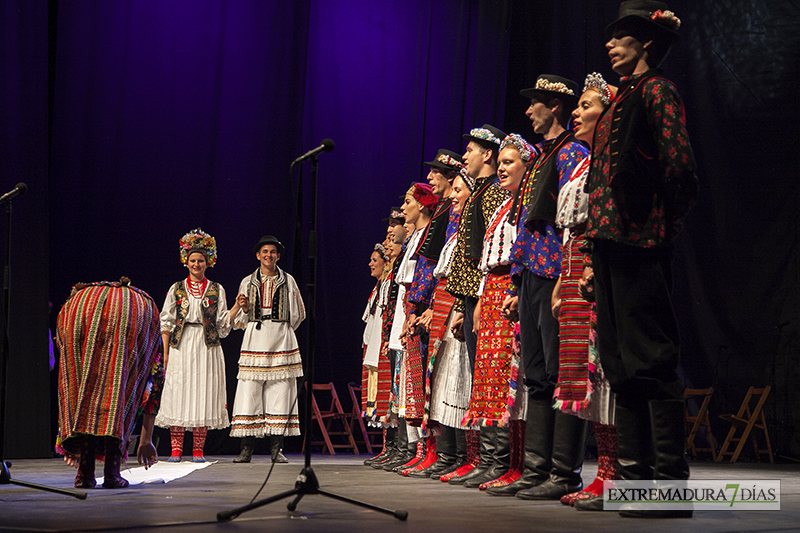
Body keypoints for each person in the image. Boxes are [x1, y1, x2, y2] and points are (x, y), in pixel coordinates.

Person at [581, 0, 697, 518]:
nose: (610, 45)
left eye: (620, 37)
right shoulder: (620, 100)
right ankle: (634, 482)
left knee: (650, 357)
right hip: (609, 245)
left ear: (646, 42)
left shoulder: (658, 91)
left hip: (641, 242)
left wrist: (658, 227)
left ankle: (669, 487)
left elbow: (680, 167)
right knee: (620, 362)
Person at [492, 75, 590, 500]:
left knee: (556, 370)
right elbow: (521, 228)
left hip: (555, 274)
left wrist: (565, 277)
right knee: (534, 374)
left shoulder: (572, 153)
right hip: (532, 273)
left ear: (555, 105)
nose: (529, 110)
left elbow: (573, 219)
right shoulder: (539, 160)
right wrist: (516, 281)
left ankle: (563, 471)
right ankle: (535, 468)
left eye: (535, 104)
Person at [547, 73, 619, 509]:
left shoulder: (608, 158)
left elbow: (601, 220)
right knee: (582, 373)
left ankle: (615, 473)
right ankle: (602, 472)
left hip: (597, 267)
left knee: (604, 368)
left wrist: (589, 265)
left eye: (586, 105)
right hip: (573, 268)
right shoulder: (579, 163)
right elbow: (570, 231)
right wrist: (560, 280)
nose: (576, 111)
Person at [462, 133, 533, 491]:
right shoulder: (504, 205)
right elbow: (486, 262)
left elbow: (521, 255)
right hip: (490, 292)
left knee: (507, 374)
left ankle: (507, 460)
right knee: (487, 375)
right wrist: (476, 302)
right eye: (500, 162)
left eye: (509, 162)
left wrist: (516, 291)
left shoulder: (525, 204)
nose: (502, 168)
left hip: (509, 288)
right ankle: (490, 459)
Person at [446, 124, 511, 487]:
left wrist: (479, 299)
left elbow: (489, 255)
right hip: (473, 296)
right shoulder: (480, 194)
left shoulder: (491, 196)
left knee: (489, 377)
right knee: (479, 378)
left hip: (485, 294)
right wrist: (461, 303)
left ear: (488, 154)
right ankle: (486, 458)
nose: (465, 155)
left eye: (471, 150)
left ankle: (495, 459)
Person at [56, 277, 163, 488]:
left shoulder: (79, 301)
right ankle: (112, 473)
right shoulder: (144, 314)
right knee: (119, 390)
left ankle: (85, 473)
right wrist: (146, 439)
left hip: (81, 308)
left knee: (85, 389)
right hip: (129, 313)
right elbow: (154, 382)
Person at [156, 228, 234, 463]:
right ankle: (176, 449)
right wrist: (166, 351)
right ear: (186, 262)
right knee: (178, 392)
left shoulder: (217, 289)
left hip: (206, 345)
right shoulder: (176, 288)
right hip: (181, 344)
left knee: (203, 392)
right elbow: (166, 321)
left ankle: (198, 449)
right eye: (193, 260)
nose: (196, 264)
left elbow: (221, 323)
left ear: (207, 262)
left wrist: (237, 309)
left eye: (200, 260)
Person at [230, 235, 306, 464]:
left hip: (281, 338)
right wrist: (243, 309)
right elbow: (238, 319)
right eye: (265, 251)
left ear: (278, 256)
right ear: (258, 255)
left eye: (273, 252)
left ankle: (276, 448)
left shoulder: (288, 280)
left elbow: (298, 313)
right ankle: (246, 449)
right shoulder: (247, 281)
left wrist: (282, 328)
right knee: (249, 391)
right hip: (255, 337)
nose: (269, 255)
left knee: (280, 392)